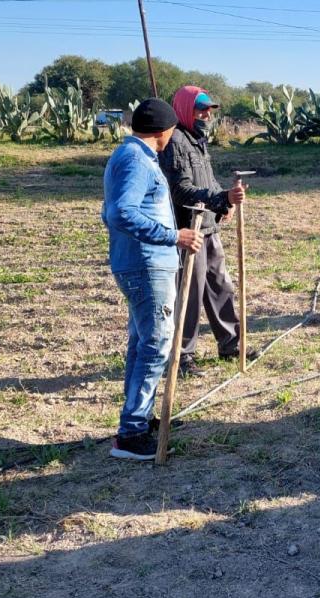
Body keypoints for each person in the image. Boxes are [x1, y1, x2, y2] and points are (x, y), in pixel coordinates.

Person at [101, 98, 203, 461]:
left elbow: (110, 212)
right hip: (146, 266)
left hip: (140, 263)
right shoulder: (135, 161)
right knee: (156, 344)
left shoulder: (129, 157)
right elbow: (119, 213)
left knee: (142, 343)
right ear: (163, 132)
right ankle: (131, 434)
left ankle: (138, 419)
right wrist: (173, 236)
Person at [158, 86, 247, 378]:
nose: (207, 114)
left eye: (209, 109)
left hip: (208, 226)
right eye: (201, 109)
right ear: (185, 109)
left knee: (221, 287)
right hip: (189, 229)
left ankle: (231, 344)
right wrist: (220, 198)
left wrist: (223, 205)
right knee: (190, 295)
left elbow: (204, 180)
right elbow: (180, 189)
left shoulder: (198, 140)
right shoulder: (175, 142)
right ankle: (182, 357)